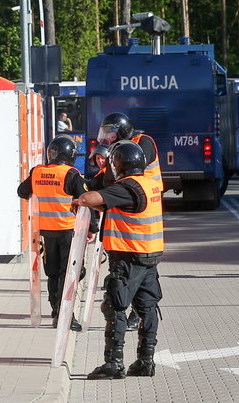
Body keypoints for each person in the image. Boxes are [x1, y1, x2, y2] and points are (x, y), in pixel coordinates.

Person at [76, 142, 164, 380]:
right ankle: (145, 362)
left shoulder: (126, 187)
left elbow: (88, 198)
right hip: (149, 255)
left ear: (118, 164)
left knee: (114, 307)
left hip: (129, 256)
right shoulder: (149, 184)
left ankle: (114, 363)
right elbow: (113, 204)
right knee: (147, 308)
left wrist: (78, 200)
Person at [18, 136, 99, 331]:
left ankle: (56, 312)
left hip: (46, 233)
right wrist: (93, 228)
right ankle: (66, 316)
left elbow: (22, 191)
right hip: (68, 232)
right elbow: (87, 201)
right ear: (70, 155)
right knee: (71, 273)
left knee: (53, 274)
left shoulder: (37, 172)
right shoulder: (71, 175)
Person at [97, 112, 161, 191]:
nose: (108, 137)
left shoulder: (143, 141)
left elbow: (133, 167)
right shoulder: (120, 146)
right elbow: (110, 169)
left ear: (122, 131)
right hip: (133, 189)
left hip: (149, 190)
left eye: (111, 135)